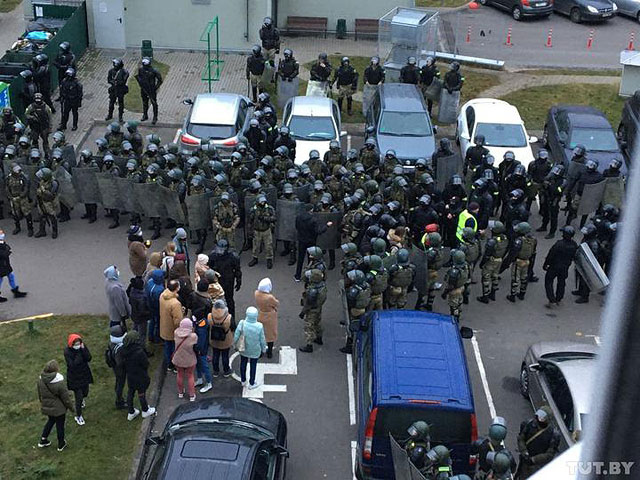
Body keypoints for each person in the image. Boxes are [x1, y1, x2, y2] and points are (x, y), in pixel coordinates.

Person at [37, 360, 75, 451]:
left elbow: (40, 395)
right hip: (59, 409)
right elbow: (66, 398)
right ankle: (61, 444)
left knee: (50, 421)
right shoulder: (59, 382)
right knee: (60, 425)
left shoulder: (40, 380)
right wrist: (72, 408)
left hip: (47, 406)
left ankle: (43, 439)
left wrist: (43, 403)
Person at [121, 330, 156, 421]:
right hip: (140, 376)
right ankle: (145, 410)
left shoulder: (123, 350)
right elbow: (145, 363)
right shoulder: (139, 352)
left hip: (130, 376)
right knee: (141, 393)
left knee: (130, 393)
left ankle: (131, 412)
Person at [515, 408, 560, 479]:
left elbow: (549, 454)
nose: (538, 419)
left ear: (548, 419)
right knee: (519, 475)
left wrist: (533, 460)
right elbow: (521, 438)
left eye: (542, 418)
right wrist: (524, 451)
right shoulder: (529, 423)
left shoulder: (553, 434)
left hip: (537, 466)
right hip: (524, 459)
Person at [543, 226, 578, 308]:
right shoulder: (574, 245)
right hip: (565, 267)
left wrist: (545, 264)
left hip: (554, 266)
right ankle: (559, 298)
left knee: (548, 281)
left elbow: (550, 255)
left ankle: (551, 300)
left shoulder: (559, 244)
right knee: (561, 282)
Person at [234, 306, 267, 389]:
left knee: (243, 363)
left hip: (243, 347)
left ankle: (243, 380)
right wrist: (263, 349)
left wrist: (235, 345)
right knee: (253, 365)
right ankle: (252, 383)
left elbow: (236, 335)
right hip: (255, 349)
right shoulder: (259, 326)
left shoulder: (242, 323)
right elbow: (262, 339)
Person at [208, 239, 242, 321]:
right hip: (216, 281)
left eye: (222, 250)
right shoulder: (213, 256)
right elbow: (209, 268)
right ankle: (215, 317)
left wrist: (239, 280)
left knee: (229, 300)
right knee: (214, 300)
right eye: (219, 249)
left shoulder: (233, 257)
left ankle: (232, 319)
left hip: (228, 282)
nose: (220, 251)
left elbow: (237, 270)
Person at [502, 222, 537, 303]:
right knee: (524, 278)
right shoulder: (533, 240)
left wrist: (507, 263)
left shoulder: (519, 241)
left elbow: (512, 254)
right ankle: (522, 294)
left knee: (515, 278)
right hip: (527, 261)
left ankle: (513, 295)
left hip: (518, 261)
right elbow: (533, 252)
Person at [294, 203, 330, 281]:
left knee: (300, 258)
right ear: (311, 210)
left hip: (301, 240)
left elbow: (296, 227)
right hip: (311, 241)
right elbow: (318, 231)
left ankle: (297, 275)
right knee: (311, 259)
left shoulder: (298, 217)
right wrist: (326, 226)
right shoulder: (313, 220)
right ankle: (309, 275)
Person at [64, 333, 93, 426]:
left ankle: (81, 400)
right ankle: (79, 416)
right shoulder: (67, 352)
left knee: (85, 392)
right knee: (78, 396)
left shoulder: (82, 348)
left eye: (78, 343)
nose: (77, 345)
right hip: (74, 377)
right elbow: (72, 365)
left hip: (84, 374)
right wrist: (79, 354)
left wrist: (83, 350)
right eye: (75, 344)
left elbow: (89, 358)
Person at [190, 280, 213, 393]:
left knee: (203, 364)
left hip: (201, 349)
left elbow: (202, 340)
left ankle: (208, 382)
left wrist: (198, 348)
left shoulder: (202, 327)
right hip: (197, 348)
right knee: (198, 363)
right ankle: (199, 379)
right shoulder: (207, 302)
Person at [477, 222, 508, 304]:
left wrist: (482, 263)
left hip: (491, 260)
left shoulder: (492, 241)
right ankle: (493, 293)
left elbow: (487, 254)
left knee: (486, 278)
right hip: (499, 259)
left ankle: (485, 297)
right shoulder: (504, 238)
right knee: (495, 276)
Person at [298, 268, 327, 353]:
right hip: (318, 308)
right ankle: (319, 338)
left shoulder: (312, 291)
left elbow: (308, 304)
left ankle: (309, 345)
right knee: (317, 323)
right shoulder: (322, 286)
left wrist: (303, 312)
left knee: (309, 327)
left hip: (312, 310)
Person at [159, 279, 184, 371]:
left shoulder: (162, 296)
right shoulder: (175, 303)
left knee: (167, 346)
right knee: (175, 348)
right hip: (172, 329)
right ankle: (175, 365)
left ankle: (169, 365)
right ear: (176, 289)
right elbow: (178, 320)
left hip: (164, 326)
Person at [173, 318, 198, 401]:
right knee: (190, 376)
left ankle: (180, 392)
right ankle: (191, 395)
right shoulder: (193, 337)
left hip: (178, 358)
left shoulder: (176, 333)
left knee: (179, 374)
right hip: (189, 359)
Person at [248, 194, 276, 269]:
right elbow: (250, 220)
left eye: (263, 201)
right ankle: (255, 258)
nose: (262, 203)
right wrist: (250, 230)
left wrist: (265, 218)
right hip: (257, 230)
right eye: (261, 202)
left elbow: (274, 218)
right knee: (256, 246)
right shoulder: (253, 209)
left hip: (266, 230)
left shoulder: (269, 208)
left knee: (268, 246)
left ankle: (269, 259)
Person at [6, 163, 34, 237]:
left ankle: (30, 229)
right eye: (15, 170)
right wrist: (10, 197)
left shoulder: (23, 176)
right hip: (14, 198)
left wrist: (23, 194)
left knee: (27, 213)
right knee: (15, 214)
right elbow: (7, 188)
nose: (17, 171)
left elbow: (27, 187)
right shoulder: (8, 178)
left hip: (23, 198)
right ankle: (17, 227)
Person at [255, 277, 279, 359]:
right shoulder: (269, 297)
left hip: (260, 313)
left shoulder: (256, 293)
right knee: (270, 335)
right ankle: (269, 352)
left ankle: (261, 351)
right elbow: (276, 304)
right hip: (270, 316)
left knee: (260, 334)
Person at [208, 299, 233, 378]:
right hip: (225, 340)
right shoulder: (228, 317)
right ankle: (226, 371)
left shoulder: (210, 316)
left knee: (215, 355)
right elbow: (232, 327)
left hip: (214, 339)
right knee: (225, 356)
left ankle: (216, 371)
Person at [0, 230, 27, 302]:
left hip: (5, 265)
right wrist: (8, 251)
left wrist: (7, 250)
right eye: (1, 233)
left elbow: (7, 248)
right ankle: (15, 292)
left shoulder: (2, 242)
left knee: (11, 276)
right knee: (0, 279)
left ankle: (16, 291)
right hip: (1, 266)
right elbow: (4, 253)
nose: (2, 234)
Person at [442, 249, 469, 322]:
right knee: (459, 302)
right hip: (461, 287)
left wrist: (445, 293)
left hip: (454, 290)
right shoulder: (466, 266)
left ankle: (455, 319)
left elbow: (450, 285)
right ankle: (458, 314)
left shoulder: (454, 272)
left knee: (453, 306)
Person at [134, 57, 163, 124]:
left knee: (154, 103)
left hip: (151, 89)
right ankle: (145, 115)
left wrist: (155, 87)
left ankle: (155, 117)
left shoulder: (154, 70)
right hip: (143, 88)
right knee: (144, 102)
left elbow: (160, 80)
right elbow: (140, 77)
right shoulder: (141, 69)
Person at [127, 276, 151, 351]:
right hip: (142, 318)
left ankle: (132, 342)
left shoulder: (132, 291)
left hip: (134, 315)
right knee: (142, 335)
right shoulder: (141, 297)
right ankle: (142, 349)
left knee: (135, 328)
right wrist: (150, 312)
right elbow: (143, 311)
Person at [104, 265, 131, 329]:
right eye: (116, 271)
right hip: (117, 312)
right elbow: (119, 302)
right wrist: (123, 313)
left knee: (114, 323)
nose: (117, 272)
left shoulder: (108, 281)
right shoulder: (115, 288)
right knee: (116, 325)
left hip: (113, 310)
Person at [108, 325, 127, 409]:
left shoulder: (112, 343)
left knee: (118, 382)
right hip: (120, 369)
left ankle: (118, 395)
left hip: (115, 368)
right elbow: (119, 362)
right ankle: (119, 401)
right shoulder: (119, 348)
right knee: (120, 384)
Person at [145, 268, 165, 343]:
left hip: (149, 305)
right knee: (158, 322)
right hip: (156, 308)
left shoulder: (150, 282)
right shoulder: (159, 290)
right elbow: (160, 301)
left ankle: (150, 336)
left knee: (152, 321)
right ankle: (157, 337)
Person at [106, 58, 129, 122]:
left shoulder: (124, 72)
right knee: (111, 103)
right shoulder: (111, 71)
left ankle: (120, 116)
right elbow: (109, 79)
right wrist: (113, 82)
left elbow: (123, 81)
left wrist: (118, 82)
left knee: (121, 103)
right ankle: (110, 115)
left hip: (120, 89)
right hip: (113, 89)